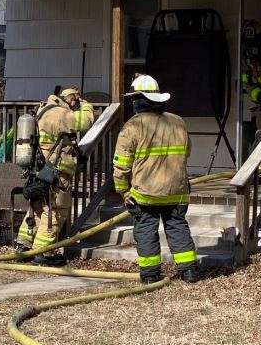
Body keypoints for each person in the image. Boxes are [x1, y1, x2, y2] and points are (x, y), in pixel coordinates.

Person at [112, 74, 200, 284]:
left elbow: (121, 165)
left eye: (134, 99)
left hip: (145, 193)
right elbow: (187, 152)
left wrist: (123, 191)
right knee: (177, 226)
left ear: (139, 101)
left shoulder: (132, 127)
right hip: (176, 190)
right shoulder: (178, 122)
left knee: (145, 230)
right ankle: (189, 271)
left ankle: (151, 275)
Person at [16, 86, 94, 265]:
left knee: (37, 208)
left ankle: (24, 246)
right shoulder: (58, 114)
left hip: (41, 169)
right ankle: (43, 253)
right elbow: (85, 121)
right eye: (75, 100)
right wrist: (87, 105)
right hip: (56, 172)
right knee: (55, 211)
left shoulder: (43, 109)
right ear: (69, 98)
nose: (75, 104)